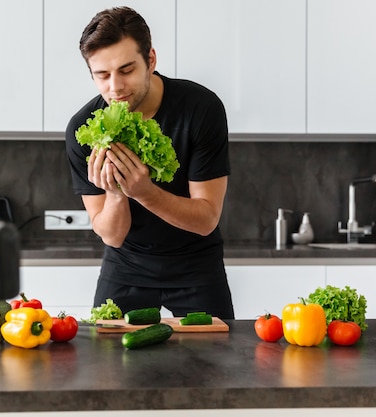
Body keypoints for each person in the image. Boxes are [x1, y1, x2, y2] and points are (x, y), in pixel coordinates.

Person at [65, 6, 234, 319]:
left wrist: (143, 191)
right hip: (126, 264)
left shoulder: (201, 109)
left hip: (196, 263)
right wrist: (116, 193)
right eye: (102, 75)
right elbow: (111, 235)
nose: (114, 87)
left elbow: (206, 218)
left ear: (151, 61)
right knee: (110, 362)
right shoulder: (83, 129)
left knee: (214, 364)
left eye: (126, 70)